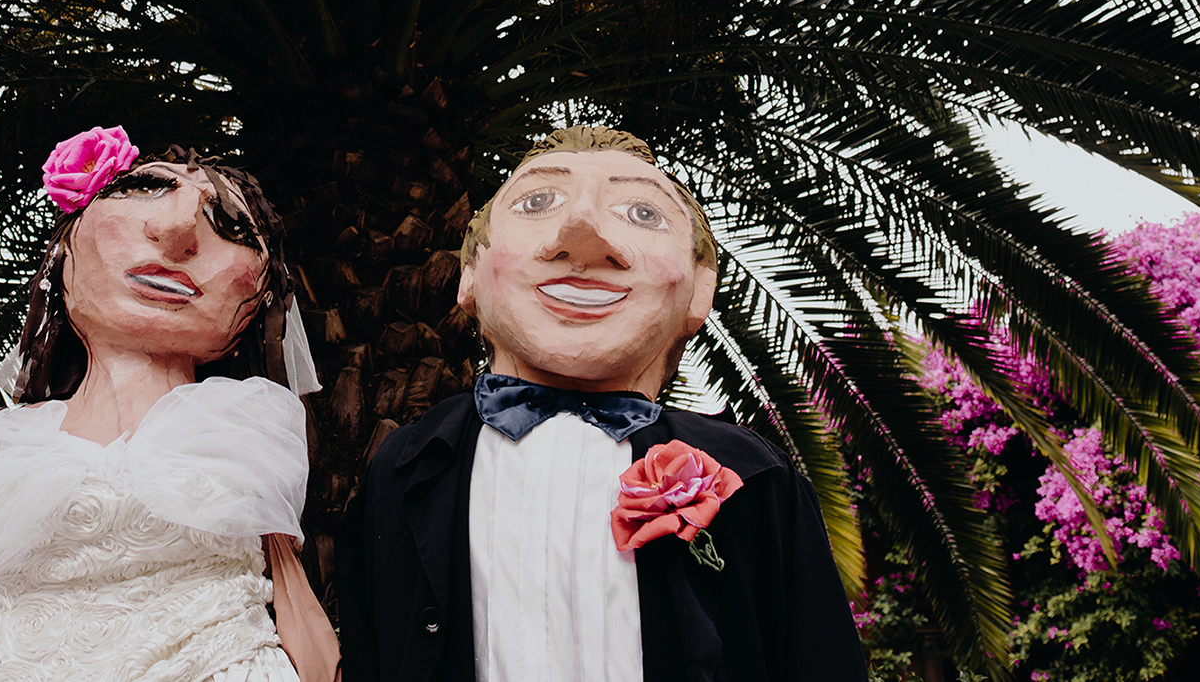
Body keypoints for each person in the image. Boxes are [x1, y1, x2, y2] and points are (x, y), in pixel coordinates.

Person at [336, 126, 867, 682]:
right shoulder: (404, 467)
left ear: (700, 288)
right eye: (538, 203)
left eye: (642, 214)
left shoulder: (753, 476)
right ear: (470, 272)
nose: (582, 232)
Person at [0, 126, 340, 682]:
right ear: (63, 251)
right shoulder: (5, 444)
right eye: (144, 189)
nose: (177, 232)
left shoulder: (245, 430)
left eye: (232, 227)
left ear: (265, 297)